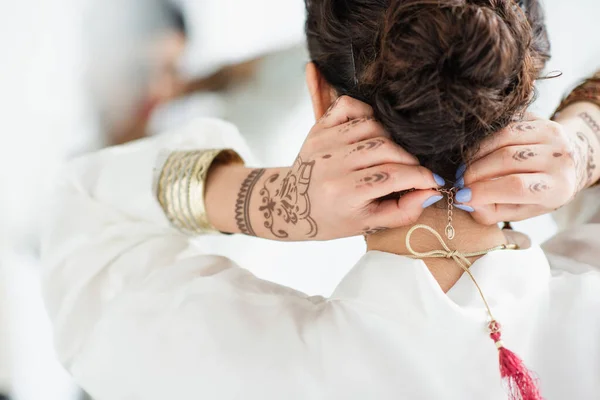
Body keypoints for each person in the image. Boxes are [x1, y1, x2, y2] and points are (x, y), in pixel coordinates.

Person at [42, 1, 600, 400]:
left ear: (321, 96)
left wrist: (272, 199)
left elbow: (86, 220)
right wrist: (583, 139)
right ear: (520, 89)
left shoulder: (241, 371)